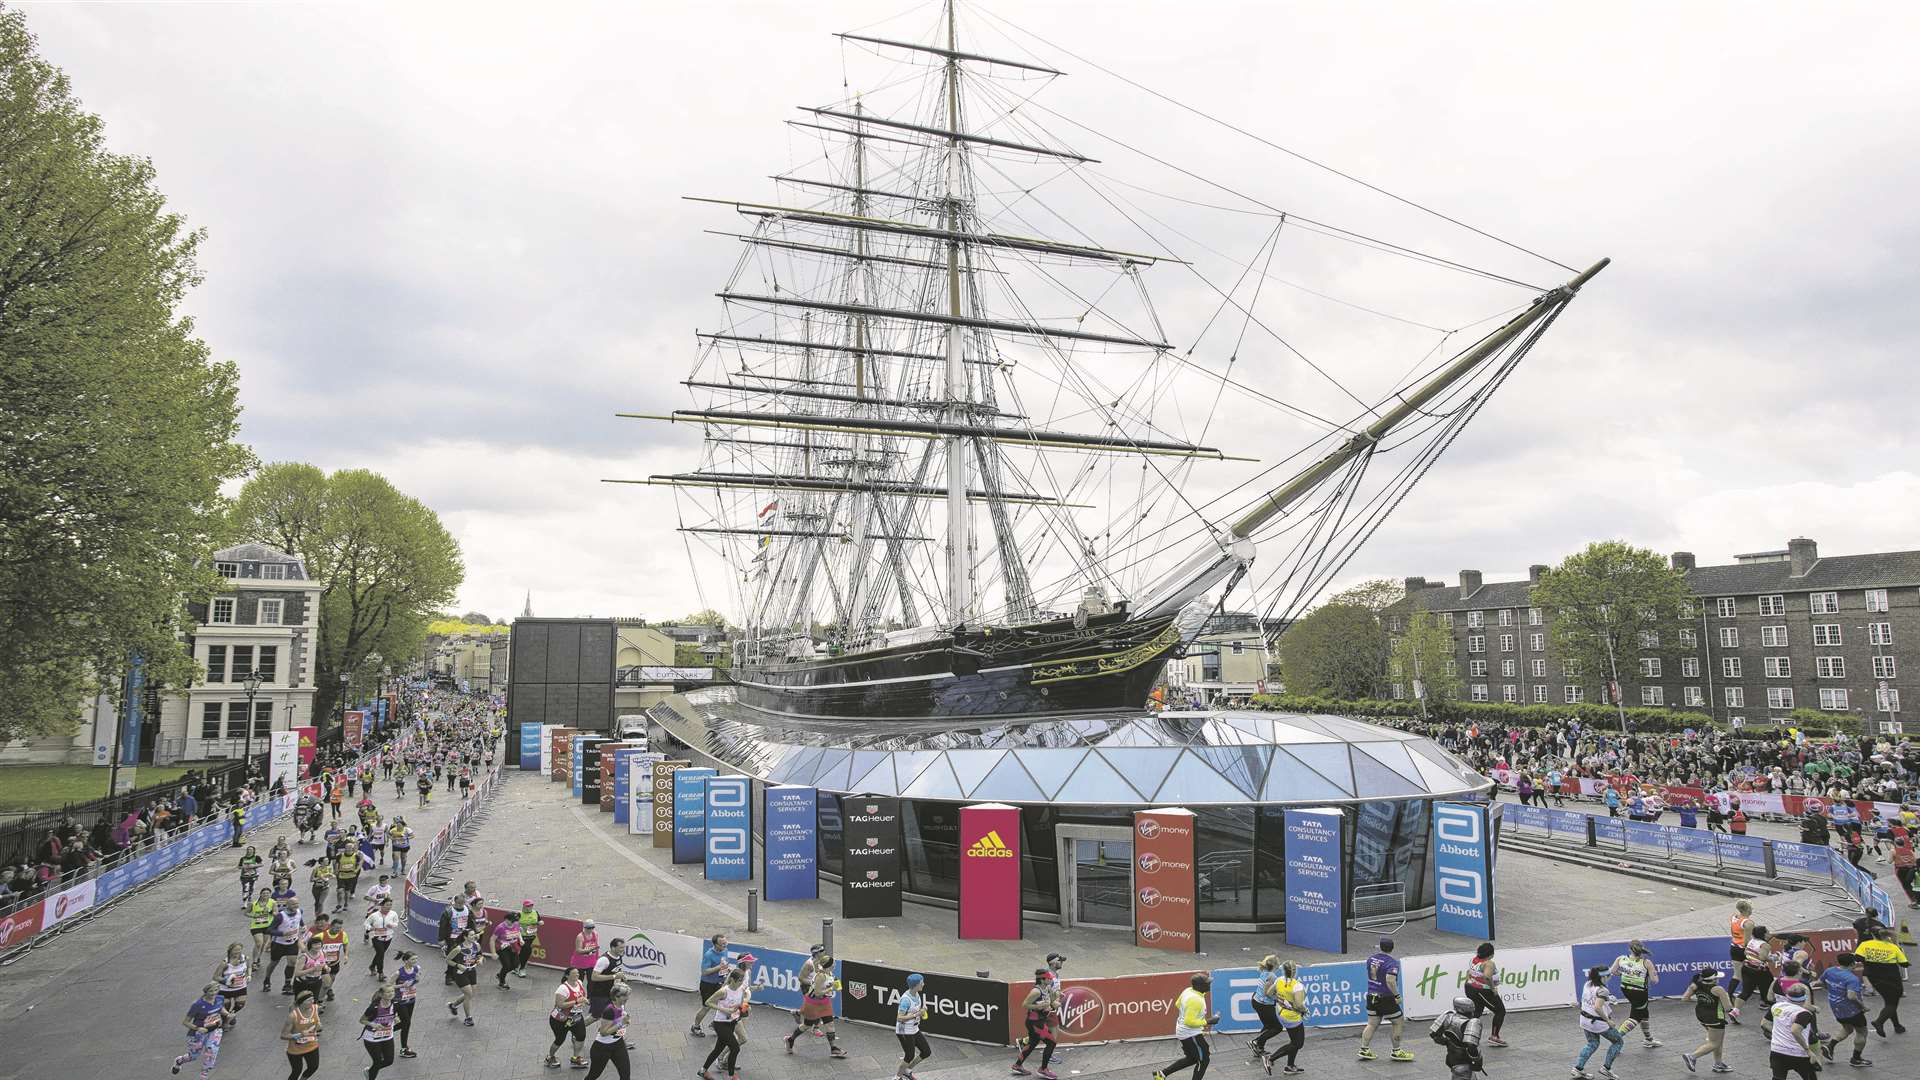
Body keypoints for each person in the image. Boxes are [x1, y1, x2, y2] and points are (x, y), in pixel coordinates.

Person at [1358, 936, 1415, 1061]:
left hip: (1371, 996)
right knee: (1398, 1021)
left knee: (1372, 1024)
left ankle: (1364, 1049)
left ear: (1380, 946)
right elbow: (1390, 980)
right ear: (1392, 948)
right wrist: (1397, 995)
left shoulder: (1370, 959)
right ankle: (1396, 1051)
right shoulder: (1392, 963)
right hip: (1386, 998)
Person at [787, 949, 850, 1060]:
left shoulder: (829, 972)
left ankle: (834, 1049)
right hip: (813, 1004)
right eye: (833, 964)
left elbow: (832, 979)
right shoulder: (820, 976)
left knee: (830, 1024)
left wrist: (836, 983)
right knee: (806, 1025)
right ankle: (790, 1039)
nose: (835, 965)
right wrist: (831, 988)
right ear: (828, 966)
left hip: (824, 1002)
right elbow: (817, 992)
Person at [1152, 972, 1216, 1080]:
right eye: (1207, 983)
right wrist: (1208, 1021)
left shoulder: (1188, 990)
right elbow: (1189, 1021)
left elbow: (1177, 1004)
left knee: (1192, 1058)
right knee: (1203, 1060)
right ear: (1199, 986)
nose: (1209, 985)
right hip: (1191, 1034)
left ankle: (1160, 1075)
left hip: (1183, 1031)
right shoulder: (1196, 1000)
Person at [699, 965, 752, 1080]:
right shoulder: (724, 991)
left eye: (742, 981)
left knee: (718, 1049)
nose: (741, 983)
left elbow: (741, 1003)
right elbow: (708, 1002)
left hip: (732, 1022)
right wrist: (725, 1010)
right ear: (732, 979)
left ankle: (703, 1070)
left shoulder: (741, 990)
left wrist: (741, 1007)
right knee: (735, 1048)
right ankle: (731, 1076)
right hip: (720, 1023)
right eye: (739, 981)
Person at [1681, 967, 1737, 1074]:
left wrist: (1702, 1001)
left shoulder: (1696, 985)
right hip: (1715, 1018)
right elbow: (1727, 1008)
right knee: (1715, 1043)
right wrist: (1732, 1006)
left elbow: (1685, 998)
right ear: (1714, 979)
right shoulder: (1718, 989)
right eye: (1717, 978)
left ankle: (1718, 1064)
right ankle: (1692, 1056)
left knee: (1717, 1040)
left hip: (1702, 1016)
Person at [1573, 966, 1624, 1079]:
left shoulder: (1588, 983)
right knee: (1618, 1042)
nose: (1610, 977)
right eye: (1608, 975)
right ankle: (1606, 1068)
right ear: (1603, 977)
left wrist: (1608, 999)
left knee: (1592, 1044)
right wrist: (1608, 1020)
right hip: (1599, 1023)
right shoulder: (1603, 990)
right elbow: (1597, 1007)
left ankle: (1577, 1069)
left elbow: (1591, 998)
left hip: (1585, 1020)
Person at [1856, 927, 1908, 1036]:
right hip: (1892, 978)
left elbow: (1858, 958)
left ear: (1873, 935)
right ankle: (1879, 1022)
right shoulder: (1893, 947)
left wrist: (1873, 960)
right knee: (1892, 1003)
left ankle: (1897, 1025)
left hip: (1874, 977)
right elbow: (1904, 963)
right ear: (1886, 936)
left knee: (1889, 1001)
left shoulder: (1865, 944)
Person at [1609, 939, 1662, 1048]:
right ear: (1642, 949)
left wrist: (1625, 974)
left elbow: (1613, 971)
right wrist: (1654, 974)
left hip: (1625, 989)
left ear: (1629, 949)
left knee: (1644, 1014)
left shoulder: (1621, 958)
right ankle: (1616, 1039)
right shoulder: (1646, 962)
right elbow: (1654, 980)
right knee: (1636, 1017)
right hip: (1640, 993)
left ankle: (1648, 1039)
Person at [1823, 951, 1872, 1068]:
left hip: (1836, 1008)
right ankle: (1856, 1058)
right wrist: (1862, 1007)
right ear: (1852, 964)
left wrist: (1832, 992)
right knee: (1862, 1032)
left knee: (1847, 1028)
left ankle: (1830, 1046)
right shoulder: (1852, 978)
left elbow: (1822, 982)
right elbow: (1851, 996)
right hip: (1852, 1010)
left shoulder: (1829, 971)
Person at [171, 982, 228, 1080]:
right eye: (211, 991)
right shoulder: (198, 1005)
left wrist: (227, 1014)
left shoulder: (220, 999)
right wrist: (198, 1028)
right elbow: (185, 1022)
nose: (213, 993)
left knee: (212, 1050)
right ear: (205, 992)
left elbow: (220, 1009)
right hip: (198, 1034)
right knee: (193, 1056)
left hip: (215, 1030)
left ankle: (204, 1074)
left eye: (215, 990)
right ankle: (179, 1061)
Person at [1260, 960, 1307, 1076]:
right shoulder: (1297, 986)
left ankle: (1290, 1066)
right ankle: (1270, 1059)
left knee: (1294, 1041)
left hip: (1281, 1013)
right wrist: (1304, 1011)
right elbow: (1298, 1005)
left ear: (1283, 971)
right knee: (1298, 1044)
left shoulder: (1279, 980)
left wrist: (1280, 1000)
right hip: (1293, 1018)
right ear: (1295, 971)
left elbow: (1269, 993)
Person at [1010, 968, 1058, 1077]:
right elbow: (1025, 1004)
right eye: (1049, 978)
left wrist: (1056, 997)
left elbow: (1051, 1001)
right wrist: (1039, 1006)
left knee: (1032, 1043)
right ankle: (1043, 1069)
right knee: (1051, 1043)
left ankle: (1017, 1066)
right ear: (1042, 980)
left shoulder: (1047, 988)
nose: (1051, 980)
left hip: (1040, 1020)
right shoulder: (1036, 991)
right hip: (1035, 1022)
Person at [1768, 983, 1819, 1080]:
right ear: (1804, 998)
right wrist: (1808, 1050)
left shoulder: (1776, 1006)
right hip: (1797, 1053)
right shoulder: (1804, 1013)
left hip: (1777, 1050)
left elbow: (1765, 1022)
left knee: (1778, 1078)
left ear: (1787, 997)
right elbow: (1795, 1030)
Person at [1427, 996, 1484, 1080]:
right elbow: (1471, 1045)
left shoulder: (1448, 1017)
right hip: (1464, 1062)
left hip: (1452, 1059)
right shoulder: (1472, 1022)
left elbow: (1434, 1034)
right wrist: (1476, 1061)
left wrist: (1447, 1042)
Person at [585, 984, 634, 1080]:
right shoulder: (609, 1010)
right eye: (625, 996)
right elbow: (603, 1032)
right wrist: (621, 1023)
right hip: (602, 1048)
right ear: (616, 997)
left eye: (627, 995)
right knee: (593, 1075)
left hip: (618, 1044)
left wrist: (627, 1021)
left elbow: (622, 1019)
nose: (627, 998)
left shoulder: (621, 1006)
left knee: (625, 1075)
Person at [546, 966, 591, 1069]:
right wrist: (576, 1002)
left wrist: (585, 1001)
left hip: (576, 1017)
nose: (577, 975)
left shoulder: (579, 982)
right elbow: (560, 1005)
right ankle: (550, 1057)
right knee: (559, 1039)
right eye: (574, 974)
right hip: (560, 1019)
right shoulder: (562, 988)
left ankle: (575, 1059)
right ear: (567, 975)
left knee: (581, 1036)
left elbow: (582, 996)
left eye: (577, 973)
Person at [1466, 942, 1509, 1047]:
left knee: (1477, 1012)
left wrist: (1469, 980)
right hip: (1482, 991)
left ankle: (1466, 1036)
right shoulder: (1489, 963)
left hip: (1470, 988)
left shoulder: (1474, 959)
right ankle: (1494, 1037)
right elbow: (1487, 977)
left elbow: (1469, 971)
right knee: (1500, 1011)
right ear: (1491, 954)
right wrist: (1493, 988)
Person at [690, 931, 732, 1035]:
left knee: (724, 1005)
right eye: (722, 944)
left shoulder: (725, 950)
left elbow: (724, 963)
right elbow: (704, 971)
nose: (725, 945)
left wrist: (727, 970)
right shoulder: (709, 955)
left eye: (726, 943)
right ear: (715, 944)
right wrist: (719, 967)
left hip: (720, 983)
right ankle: (695, 1026)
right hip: (708, 985)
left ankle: (715, 1024)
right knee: (706, 1007)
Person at [266, 896, 305, 995]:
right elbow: (269, 930)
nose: (295, 906)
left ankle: (287, 985)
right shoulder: (280, 916)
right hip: (279, 944)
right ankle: (267, 979)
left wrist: (303, 926)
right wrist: (282, 933)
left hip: (292, 942)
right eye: (293, 904)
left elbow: (299, 920)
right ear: (287, 905)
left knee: (292, 962)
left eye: (297, 904)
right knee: (274, 963)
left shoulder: (299, 911)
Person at [280, 988, 323, 1080]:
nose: (312, 1002)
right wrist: (300, 1035)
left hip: (312, 1045)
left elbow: (318, 1022)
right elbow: (283, 1035)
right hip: (295, 1049)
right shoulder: (293, 1016)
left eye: (312, 999)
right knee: (296, 1071)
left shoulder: (315, 1008)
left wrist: (318, 1026)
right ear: (302, 1002)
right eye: (309, 1000)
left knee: (313, 1067)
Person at [360, 983, 399, 1080]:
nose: (391, 994)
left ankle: (370, 1071)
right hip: (372, 1038)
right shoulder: (374, 1007)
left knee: (389, 1061)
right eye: (388, 992)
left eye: (392, 991)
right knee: (377, 1062)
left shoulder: (396, 1003)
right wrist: (373, 1024)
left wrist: (396, 1018)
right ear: (381, 994)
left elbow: (395, 1015)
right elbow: (362, 1020)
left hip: (387, 1036)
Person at [1248, 955, 1284, 1060]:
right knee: (1277, 1027)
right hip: (1264, 1005)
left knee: (1268, 1026)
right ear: (1276, 965)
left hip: (1257, 1001)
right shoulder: (1272, 976)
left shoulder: (1264, 972)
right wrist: (1279, 999)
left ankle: (1258, 1048)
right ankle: (1256, 1042)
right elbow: (1268, 993)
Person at [446, 925, 481, 1027]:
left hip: (472, 971)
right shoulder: (458, 949)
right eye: (471, 935)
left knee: (470, 994)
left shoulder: (476, 945)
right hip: (459, 973)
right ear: (465, 937)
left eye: (474, 935)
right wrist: (458, 965)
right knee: (469, 995)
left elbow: (479, 955)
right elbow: (448, 960)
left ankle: (453, 1005)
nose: (474, 936)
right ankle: (468, 1018)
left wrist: (480, 959)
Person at [587, 935, 627, 1017]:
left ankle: (606, 1029)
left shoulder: (619, 956)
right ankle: (578, 1027)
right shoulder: (604, 960)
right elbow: (594, 977)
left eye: (623, 947)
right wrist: (614, 976)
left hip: (611, 993)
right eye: (620, 948)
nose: (623, 950)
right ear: (613, 948)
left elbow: (615, 970)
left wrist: (621, 978)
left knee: (614, 1015)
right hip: (600, 994)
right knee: (595, 1017)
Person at [214, 942, 252, 1030]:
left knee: (240, 1004)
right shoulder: (225, 963)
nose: (237, 952)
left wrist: (249, 975)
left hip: (240, 986)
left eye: (239, 950)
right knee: (225, 1005)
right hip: (225, 989)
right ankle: (225, 1021)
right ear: (230, 951)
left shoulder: (245, 958)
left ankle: (231, 1015)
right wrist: (226, 981)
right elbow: (215, 977)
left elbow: (249, 967)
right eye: (235, 950)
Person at [365, 897, 400, 978]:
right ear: (382, 905)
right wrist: (371, 928)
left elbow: (396, 923)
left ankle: (372, 966)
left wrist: (392, 925)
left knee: (380, 954)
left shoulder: (393, 914)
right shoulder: (374, 915)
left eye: (390, 905)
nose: (389, 906)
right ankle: (381, 973)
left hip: (388, 937)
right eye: (387, 905)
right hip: (377, 937)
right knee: (381, 954)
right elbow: (366, 923)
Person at [1728, 900, 1755, 999]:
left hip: (1734, 946)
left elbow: (1732, 932)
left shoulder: (1734, 917)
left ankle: (1729, 995)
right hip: (1744, 949)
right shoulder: (1748, 923)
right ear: (1747, 909)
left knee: (1737, 974)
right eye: (1751, 908)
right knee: (1756, 970)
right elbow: (1747, 941)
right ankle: (1748, 993)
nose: (1752, 909)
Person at [491, 910, 524, 989]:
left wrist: (521, 939)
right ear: (506, 919)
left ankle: (501, 974)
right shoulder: (500, 928)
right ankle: (502, 982)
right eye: (511, 921)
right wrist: (493, 953)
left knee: (515, 965)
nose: (513, 923)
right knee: (506, 965)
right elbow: (492, 939)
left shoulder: (516, 924)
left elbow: (518, 931)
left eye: (515, 921)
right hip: (502, 948)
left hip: (513, 947)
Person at [249, 890, 278, 972]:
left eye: (268, 893)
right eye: (264, 893)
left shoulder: (273, 902)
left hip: (267, 926)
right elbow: (246, 913)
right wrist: (253, 916)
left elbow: (276, 913)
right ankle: (254, 962)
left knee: (263, 944)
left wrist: (270, 911)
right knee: (259, 943)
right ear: (260, 894)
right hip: (256, 926)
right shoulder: (254, 904)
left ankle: (258, 958)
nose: (266, 895)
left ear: (270, 895)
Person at [513, 900, 543, 977]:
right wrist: (518, 928)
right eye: (528, 906)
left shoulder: (535, 912)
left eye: (531, 906)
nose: (529, 907)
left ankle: (516, 966)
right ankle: (522, 969)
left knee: (524, 952)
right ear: (523, 906)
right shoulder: (519, 914)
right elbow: (513, 924)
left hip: (531, 936)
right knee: (527, 951)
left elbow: (539, 920)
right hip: (521, 937)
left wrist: (540, 922)